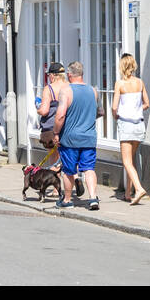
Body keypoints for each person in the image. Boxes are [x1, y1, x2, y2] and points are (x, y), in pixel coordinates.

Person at [54, 60, 100, 210]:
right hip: (89, 137)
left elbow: (60, 116)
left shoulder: (66, 91)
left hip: (70, 138)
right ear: (82, 74)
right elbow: (100, 112)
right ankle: (93, 198)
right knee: (89, 168)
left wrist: (55, 133)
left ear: (69, 74)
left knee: (68, 170)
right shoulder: (93, 91)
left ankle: (67, 200)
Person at [111, 53, 150, 205]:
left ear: (122, 66)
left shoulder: (120, 84)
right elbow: (146, 103)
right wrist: (137, 109)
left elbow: (114, 107)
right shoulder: (140, 83)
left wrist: (116, 114)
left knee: (126, 161)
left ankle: (139, 188)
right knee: (131, 160)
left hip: (126, 124)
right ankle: (128, 193)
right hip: (139, 124)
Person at [36, 62, 68, 165]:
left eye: (48, 74)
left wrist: (38, 108)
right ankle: (74, 180)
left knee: (54, 160)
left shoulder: (49, 88)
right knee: (69, 160)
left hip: (52, 128)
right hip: (68, 127)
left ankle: (55, 179)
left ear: (53, 75)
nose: (48, 77)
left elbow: (44, 111)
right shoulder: (70, 87)